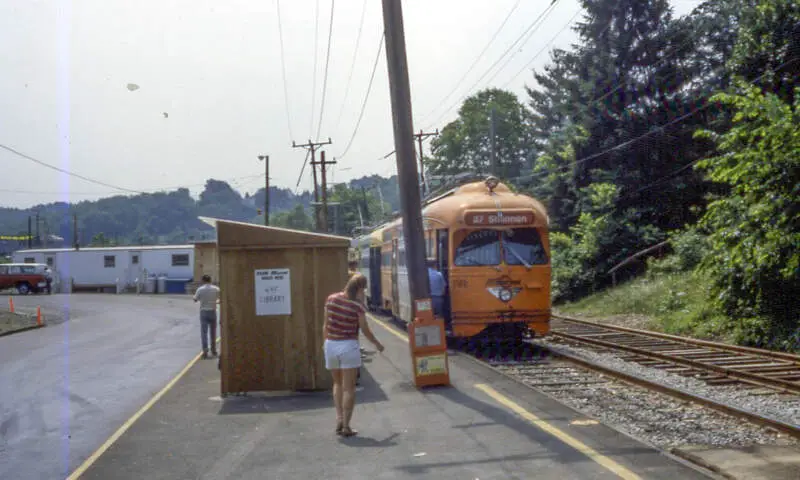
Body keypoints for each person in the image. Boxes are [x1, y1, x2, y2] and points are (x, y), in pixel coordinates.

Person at [322, 273, 384, 437]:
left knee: (337, 384)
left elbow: (325, 325)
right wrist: (377, 344)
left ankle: (339, 418)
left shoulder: (331, 299)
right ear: (360, 289)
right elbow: (364, 329)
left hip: (330, 345)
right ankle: (346, 427)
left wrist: (326, 343)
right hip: (348, 346)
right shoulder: (357, 306)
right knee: (349, 388)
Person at [193, 274, 220, 359]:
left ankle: (205, 350)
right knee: (213, 332)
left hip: (204, 312)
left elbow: (195, 299)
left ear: (203, 281)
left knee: (204, 332)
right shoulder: (216, 289)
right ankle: (214, 350)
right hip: (213, 311)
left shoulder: (200, 289)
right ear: (210, 280)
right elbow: (220, 298)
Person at [427, 259, 447, 325]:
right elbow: (444, 287)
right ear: (434, 265)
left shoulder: (424, 275)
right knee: (439, 316)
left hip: (428, 299)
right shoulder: (439, 274)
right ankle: (439, 329)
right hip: (438, 298)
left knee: (429, 316)